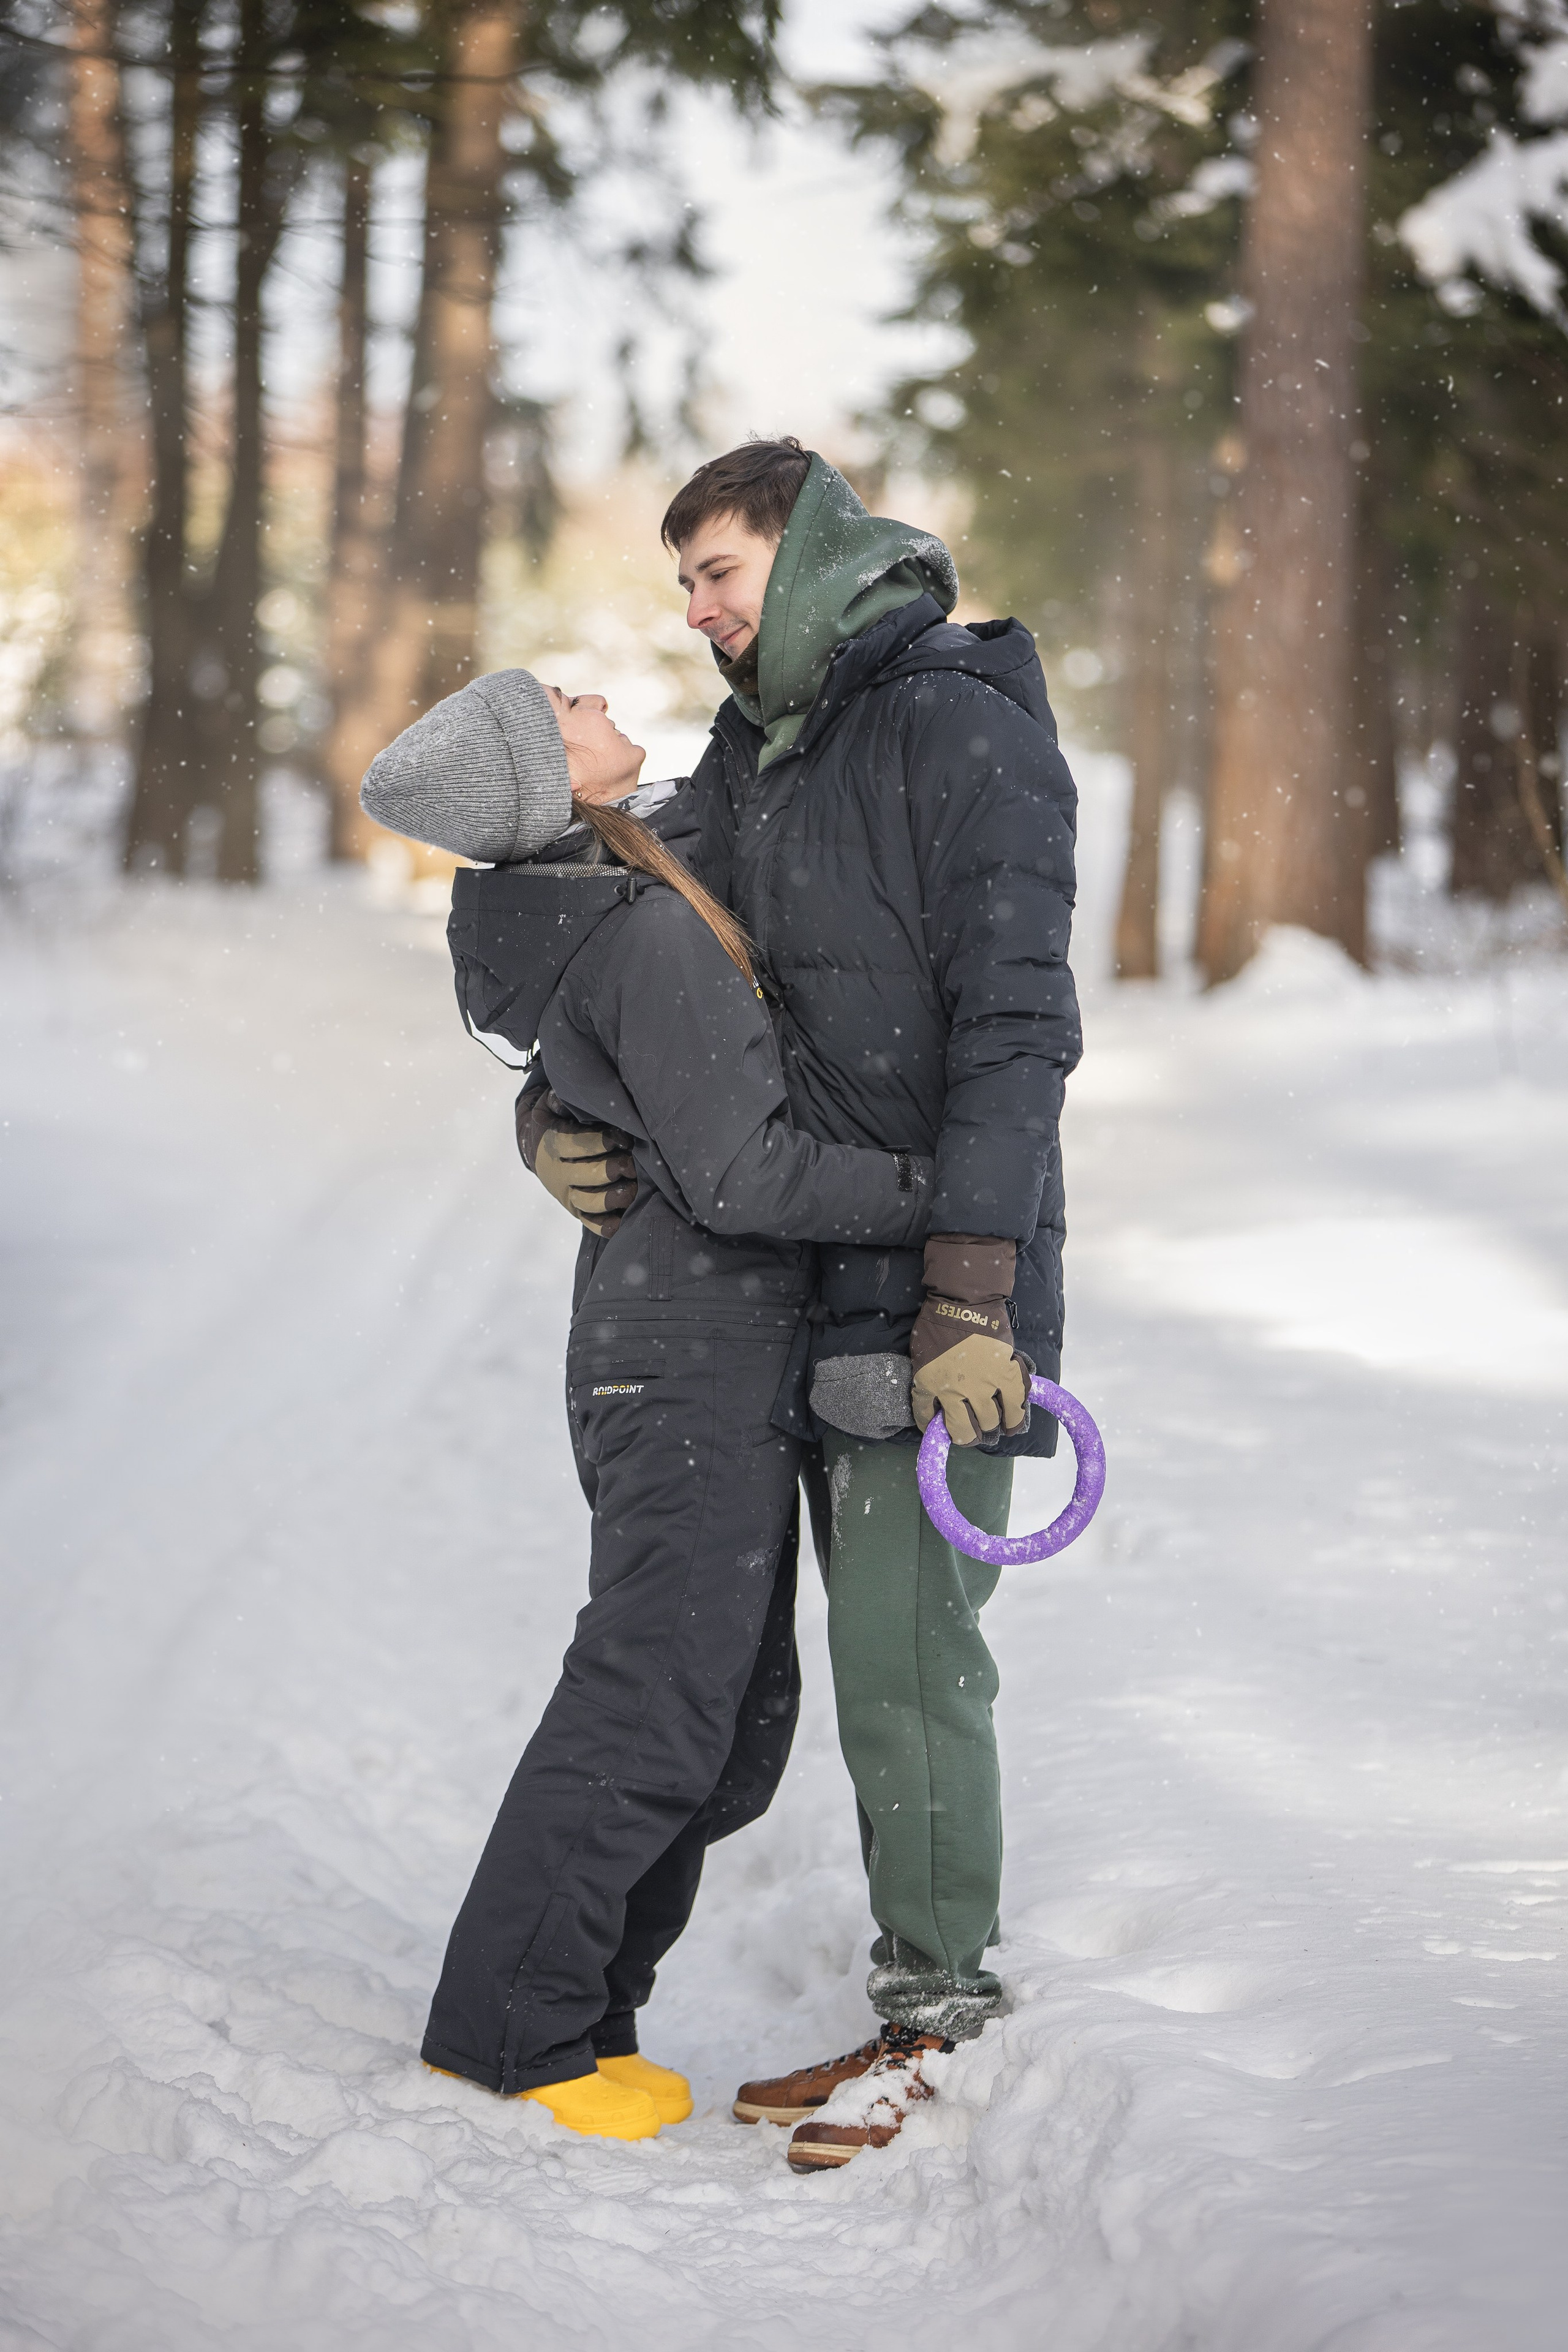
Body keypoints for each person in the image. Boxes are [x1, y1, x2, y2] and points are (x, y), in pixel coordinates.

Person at [526, 440, 1082, 2172]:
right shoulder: (754, 757)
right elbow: (625, 947)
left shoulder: (964, 728)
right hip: (799, 1287)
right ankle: (908, 1994)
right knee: (857, 1673)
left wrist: (973, 1295)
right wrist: (547, 1116)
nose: (694, 612)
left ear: (816, 546)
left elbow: (1016, 1036)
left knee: (916, 1667)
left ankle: (944, 2019)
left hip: (941, 1302)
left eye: (719, 574)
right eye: (682, 583)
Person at [360, 667, 936, 2144]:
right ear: (544, 788)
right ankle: (509, 2033)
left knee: (727, 1717)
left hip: (683, 1349)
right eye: (559, 704)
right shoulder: (632, 927)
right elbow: (744, 1175)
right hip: (687, 1356)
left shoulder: (604, 882)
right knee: (654, 1699)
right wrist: (943, 1196)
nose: (596, 690)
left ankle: (587, 2005)